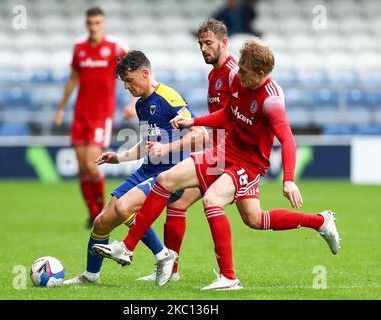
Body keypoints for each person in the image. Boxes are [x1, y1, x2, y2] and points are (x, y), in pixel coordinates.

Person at [93, 38, 341, 290]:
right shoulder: (238, 78)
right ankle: (128, 247)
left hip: (250, 163)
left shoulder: (272, 100)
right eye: (239, 68)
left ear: (261, 73)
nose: (238, 75)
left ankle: (229, 277)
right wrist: (194, 121)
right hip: (225, 150)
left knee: (214, 202)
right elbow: (228, 114)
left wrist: (288, 179)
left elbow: (287, 140)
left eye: (244, 72)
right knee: (166, 181)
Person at [63, 50, 207, 287]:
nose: (127, 87)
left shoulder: (169, 99)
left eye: (129, 81)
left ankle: (163, 255)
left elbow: (200, 134)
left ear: (145, 73)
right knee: (102, 221)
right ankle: (91, 276)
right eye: (124, 83)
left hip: (170, 175)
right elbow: (147, 144)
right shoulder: (142, 104)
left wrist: (167, 148)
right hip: (146, 170)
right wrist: (119, 158)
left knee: (123, 206)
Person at [137, 18, 240, 282]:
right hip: (218, 152)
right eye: (200, 44)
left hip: (232, 156)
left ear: (223, 42)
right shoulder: (213, 74)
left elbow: (235, 115)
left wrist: (196, 125)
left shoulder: (233, 72)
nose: (204, 48)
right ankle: (172, 271)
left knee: (254, 217)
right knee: (179, 202)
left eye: (208, 43)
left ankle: (319, 222)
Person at [53, 7, 136, 228]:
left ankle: (101, 210)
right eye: (90, 23)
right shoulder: (79, 48)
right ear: (86, 24)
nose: (93, 27)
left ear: (103, 23)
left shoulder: (115, 47)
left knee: (91, 165)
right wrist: (61, 108)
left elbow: (134, 68)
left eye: (97, 23)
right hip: (81, 114)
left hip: (101, 115)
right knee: (82, 167)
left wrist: (132, 102)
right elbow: (73, 79)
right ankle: (92, 214)